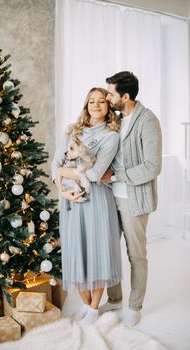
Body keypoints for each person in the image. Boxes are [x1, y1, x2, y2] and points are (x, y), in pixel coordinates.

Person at [51, 87, 122, 326]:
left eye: (102, 101)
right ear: (86, 105)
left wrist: (63, 171)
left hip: (98, 202)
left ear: (108, 106)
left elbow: (94, 173)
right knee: (75, 250)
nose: (96, 105)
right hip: (70, 200)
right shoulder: (72, 131)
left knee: (98, 250)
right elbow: (55, 163)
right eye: (92, 101)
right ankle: (86, 303)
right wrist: (62, 189)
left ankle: (94, 308)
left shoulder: (111, 136)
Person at [99, 71, 162, 327]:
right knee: (110, 252)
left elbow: (152, 166)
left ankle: (134, 306)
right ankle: (114, 299)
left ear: (125, 96)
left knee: (136, 255)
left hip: (133, 199)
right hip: (108, 198)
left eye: (111, 93)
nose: (106, 97)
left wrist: (115, 177)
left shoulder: (148, 121)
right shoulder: (114, 119)